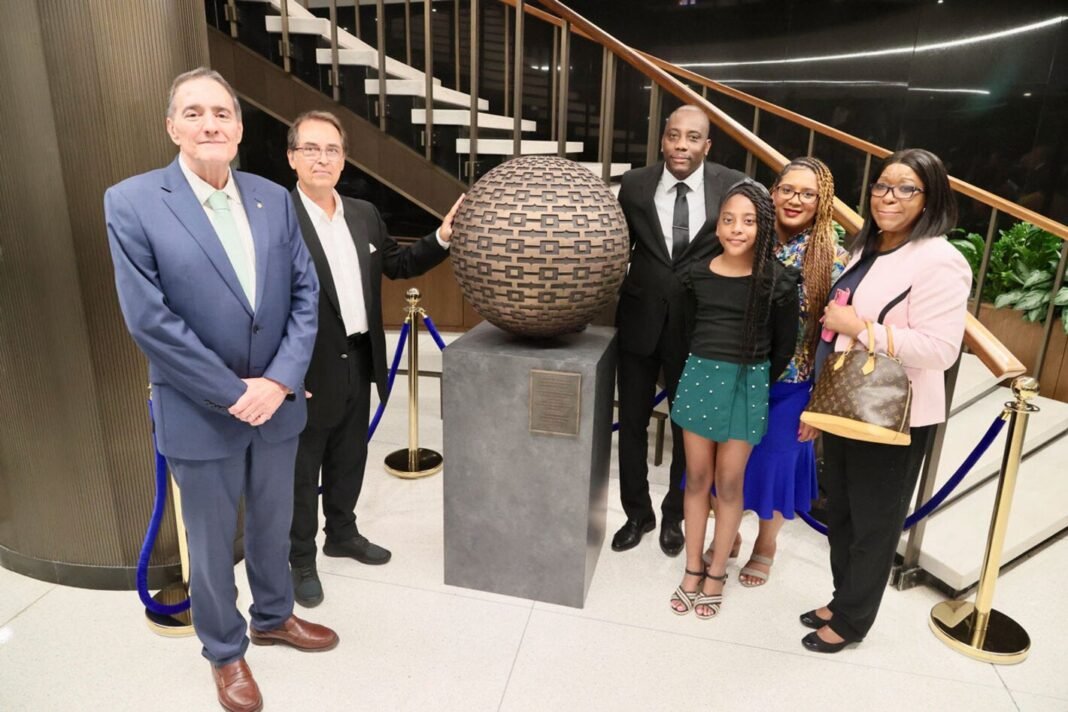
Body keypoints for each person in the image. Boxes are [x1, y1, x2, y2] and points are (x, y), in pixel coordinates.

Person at [105, 68, 335, 712]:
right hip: (201, 410)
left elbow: (304, 298)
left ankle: (273, 616)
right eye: (195, 112)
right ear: (172, 125)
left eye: (223, 113)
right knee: (209, 543)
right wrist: (235, 392)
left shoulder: (271, 197)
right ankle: (226, 653)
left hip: (278, 405)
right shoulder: (131, 201)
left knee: (272, 521)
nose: (211, 124)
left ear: (239, 127)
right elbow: (149, 319)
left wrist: (281, 380)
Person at [287, 110, 462, 607]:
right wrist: (283, 374)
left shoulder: (363, 212)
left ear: (344, 159)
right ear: (292, 157)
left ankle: (342, 534)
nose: (323, 159)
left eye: (333, 150)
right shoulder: (277, 216)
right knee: (302, 471)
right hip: (305, 369)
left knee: (349, 457)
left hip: (360, 358)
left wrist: (443, 236)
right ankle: (300, 558)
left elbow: (399, 264)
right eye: (311, 149)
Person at [801, 148, 971, 652]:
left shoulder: (941, 260)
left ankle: (853, 621)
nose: (888, 197)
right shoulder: (866, 248)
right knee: (843, 512)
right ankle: (842, 596)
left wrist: (862, 329)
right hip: (847, 401)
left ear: (930, 198)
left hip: (898, 414)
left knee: (875, 523)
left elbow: (940, 350)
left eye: (905, 188)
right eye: (881, 186)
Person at [614, 105, 745, 556]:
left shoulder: (731, 185)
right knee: (630, 422)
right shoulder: (633, 185)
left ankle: (674, 516)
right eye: (673, 136)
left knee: (686, 425)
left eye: (692, 138)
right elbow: (618, 247)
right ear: (663, 140)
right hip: (638, 321)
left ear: (707, 146)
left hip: (698, 328)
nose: (681, 146)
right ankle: (636, 513)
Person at [714, 157, 849, 587]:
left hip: (793, 385)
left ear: (822, 201)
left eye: (807, 193)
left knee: (774, 466)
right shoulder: (749, 236)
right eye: (787, 189)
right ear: (773, 192)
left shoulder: (833, 259)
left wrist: (819, 403)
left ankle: (765, 546)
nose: (795, 200)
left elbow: (836, 339)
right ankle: (728, 533)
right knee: (725, 468)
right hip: (735, 375)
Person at [668, 180, 799, 618]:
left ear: (763, 226)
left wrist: (753, 379)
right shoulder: (697, 275)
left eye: (748, 221)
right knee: (697, 479)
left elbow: (784, 347)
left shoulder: (778, 281)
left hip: (747, 383)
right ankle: (692, 567)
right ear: (717, 225)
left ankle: (717, 571)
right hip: (700, 377)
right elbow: (687, 331)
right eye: (728, 220)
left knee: (729, 483)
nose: (736, 229)